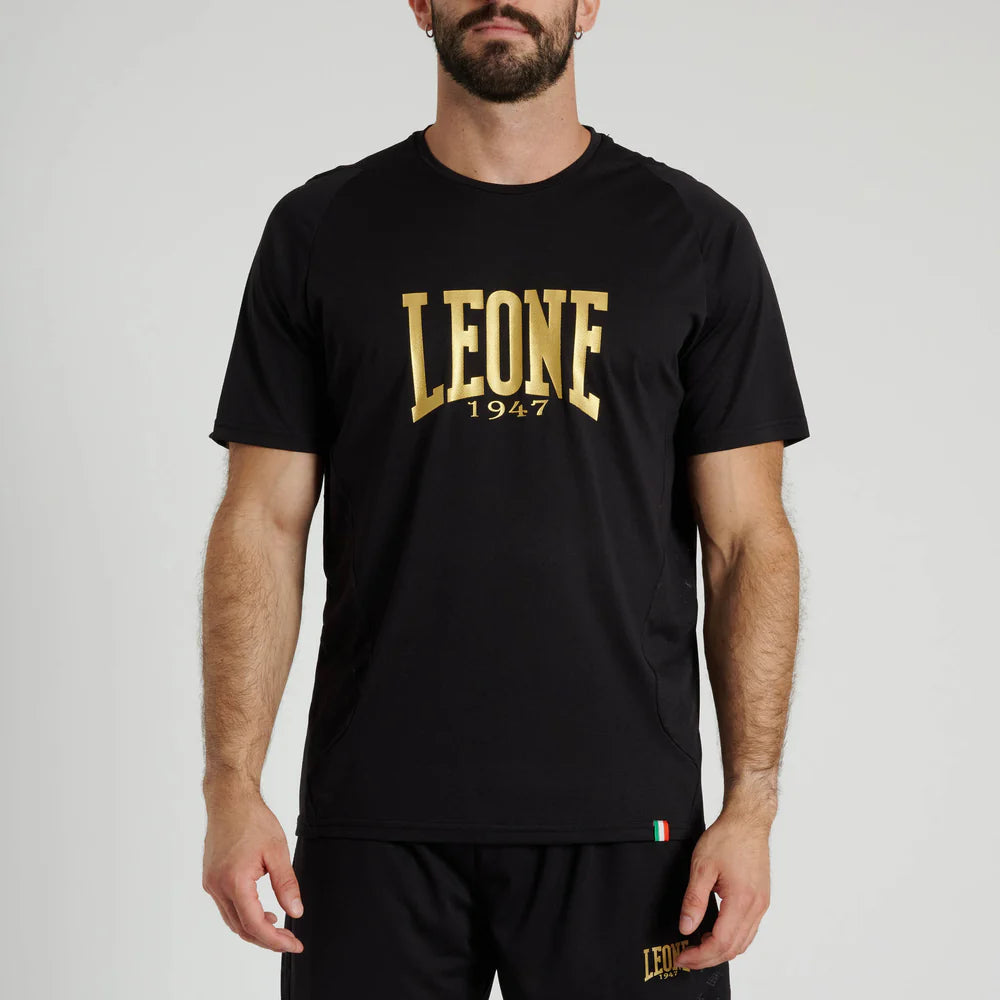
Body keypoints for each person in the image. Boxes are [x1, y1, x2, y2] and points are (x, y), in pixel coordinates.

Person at [200, 2, 810, 997]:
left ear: (587, 5)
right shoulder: (320, 230)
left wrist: (752, 805)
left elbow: (747, 541)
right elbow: (260, 522)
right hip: (374, 819)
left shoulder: (694, 237)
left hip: (628, 825)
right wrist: (231, 785)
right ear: (420, 3)